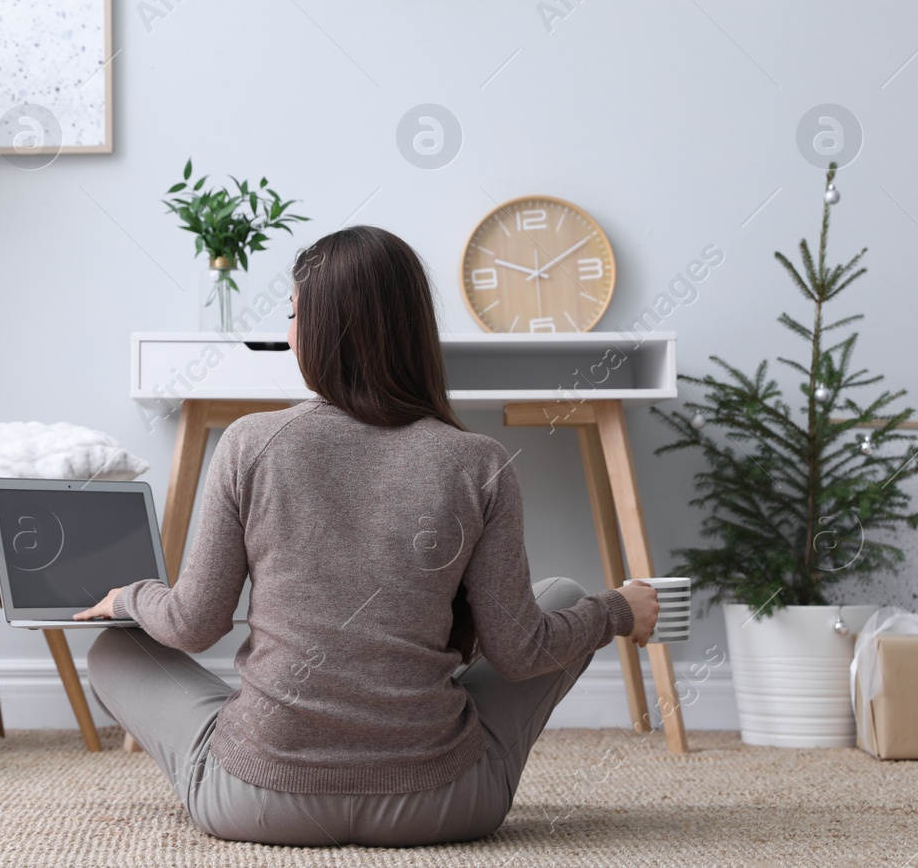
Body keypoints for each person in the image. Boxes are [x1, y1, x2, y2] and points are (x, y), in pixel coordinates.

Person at [77, 225, 660, 847]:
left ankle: (261, 748)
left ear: (323, 330)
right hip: (447, 805)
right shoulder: (479, 461)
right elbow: (518, 651)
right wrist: (619, 610)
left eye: (295, 313)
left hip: (254, 802)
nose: (290, 330)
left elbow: (194, 624)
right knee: (569, 594)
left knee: (114, 649)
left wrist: (128, 598)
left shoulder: (249, 443)